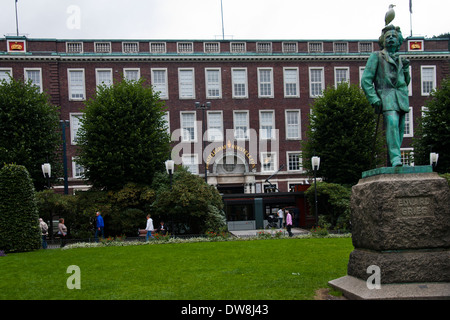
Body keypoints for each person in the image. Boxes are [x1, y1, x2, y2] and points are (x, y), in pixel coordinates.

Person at [361, 25, 410, 167]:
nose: (390, 39)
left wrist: (406, 69)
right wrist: (374, 98)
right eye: (388, 36)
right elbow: (365, 80)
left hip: (401, 98)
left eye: (394, 36)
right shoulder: (376, 56)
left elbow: (405, 82)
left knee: (399, 129)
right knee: (392, 123)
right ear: (383, 40)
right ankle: (395, 158)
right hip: (386, 96)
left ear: (399, 41)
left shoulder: (401, 59)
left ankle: (395, 157)